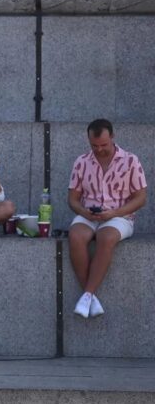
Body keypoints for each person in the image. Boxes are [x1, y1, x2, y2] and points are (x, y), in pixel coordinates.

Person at [68, 119, 147, 318]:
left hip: (120, 216)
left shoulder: (131, 161)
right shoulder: (81, 162)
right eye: (94, 146)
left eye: (103, 145)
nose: (99, 149)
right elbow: (72, 199)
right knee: (76, 235)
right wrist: (83, 211)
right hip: (89, 214)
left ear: (112, 137)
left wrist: (114, 213)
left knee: (106, 237)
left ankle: (87, 294)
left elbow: (141, 198)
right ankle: (89, 297)